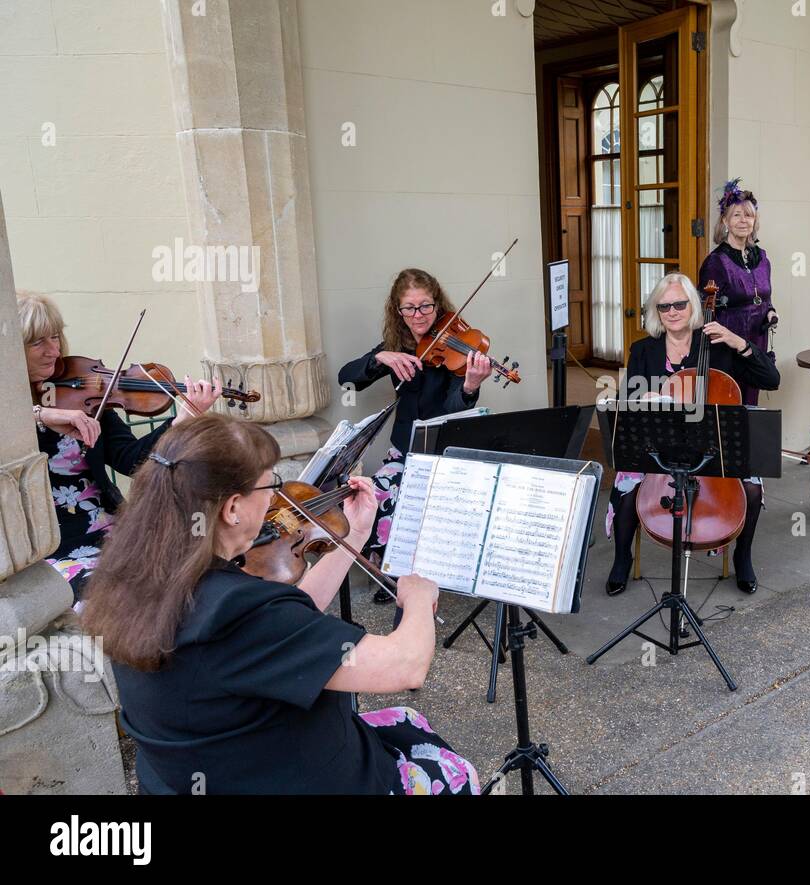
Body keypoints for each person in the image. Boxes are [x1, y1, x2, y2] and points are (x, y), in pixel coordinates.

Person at [82, 414, 479, 795]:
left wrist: (355, 535)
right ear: (232, 508)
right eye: (269, 485)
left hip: (199, 774)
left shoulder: (134, 576)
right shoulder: (235, 609)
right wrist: (418, 597)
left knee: (408, 725)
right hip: (284, 777)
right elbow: (405, 666)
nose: (277, 496)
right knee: (454, 770)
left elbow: (287, 626)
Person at [20, 293, 221, 602]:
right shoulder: (11, 410)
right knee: (117, 597)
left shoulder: (82, 387)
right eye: (38, 343)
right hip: (49, 549)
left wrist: (182, 419)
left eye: (55, 337)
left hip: (111, 528)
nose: (54, 351)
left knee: (193, 569)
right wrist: (41, 415)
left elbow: (133, 460)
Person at [604, 273, 780, 596]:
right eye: (664, 306)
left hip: (713, 449)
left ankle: (743, 555)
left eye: (680, 304)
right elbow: (627, 403)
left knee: (752, 488)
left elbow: (771, 379)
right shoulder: (642, 351)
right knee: (627, 484)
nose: (672, 311)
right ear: (656, 312)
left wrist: (738, 341)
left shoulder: (717, 347)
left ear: (694, 307)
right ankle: (621, 558)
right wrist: (641, 399)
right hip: (660, 448)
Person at [338, 268, 493, 602]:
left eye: (425, 306)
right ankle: (393, 572)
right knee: (373, 498)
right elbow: (347, 378)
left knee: (420, 510)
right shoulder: (396, 348)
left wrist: (470, 385)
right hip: (404, 453)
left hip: (442, 455)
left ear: (437, 306)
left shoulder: (457, 348)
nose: (418, 315)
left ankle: (420, 579)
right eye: (409, 308)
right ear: (398, 311)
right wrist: (380, 357)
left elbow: (453, 408)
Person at [698, 178, 778, 406]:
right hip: (727, 345)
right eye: (736, 215)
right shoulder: (715, 262)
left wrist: (771, 312)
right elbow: (706, 313)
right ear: (725, 220)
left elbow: (766, 296)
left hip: (756, 341)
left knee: (752, 398)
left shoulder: (762, 257)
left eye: (749, 215)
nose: (744, 220)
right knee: (731, 400)